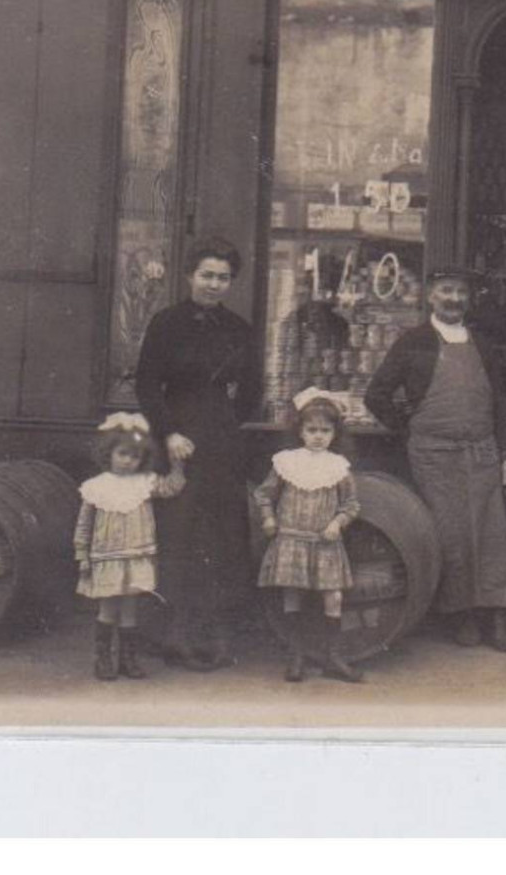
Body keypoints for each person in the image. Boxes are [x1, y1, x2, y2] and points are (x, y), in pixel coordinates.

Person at [364, 267, 506, 653]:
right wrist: (408, 428)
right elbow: (376, 395)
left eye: (461, 293)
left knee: (492, 536)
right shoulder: (413, 342)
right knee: (449, 534)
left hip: (482, 451)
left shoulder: (482, 344)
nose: (454, 299)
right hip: (434, 455)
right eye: (446, 291)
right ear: (431, 296)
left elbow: (499, 401)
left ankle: (497, 617)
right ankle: (460, 615)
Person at [135, 237, 260, 671]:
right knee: (180, 535)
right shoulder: (167, 323)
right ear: (190, 276)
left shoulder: (239, 329)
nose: (214, 284)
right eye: (206, 275)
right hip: (178, 438)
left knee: (223, 537)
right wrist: (169, 433)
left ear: (232, 282)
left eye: (223, 278)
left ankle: (216, 634)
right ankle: (173, 635)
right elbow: (147, 385)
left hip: (222, 442)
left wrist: (225, 421)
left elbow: (251, 393)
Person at [252, 388, 364, 684]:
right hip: (292, 539)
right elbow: (264, 494)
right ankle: (296, 656)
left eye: (325, 431)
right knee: (293, 593)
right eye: (311, 429)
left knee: (333, 595)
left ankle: (334, 657)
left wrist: (337, 523)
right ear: (300, 431)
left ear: (334, 434)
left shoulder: (338, 467)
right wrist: (268, 517)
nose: (318, 436)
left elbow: (351, 504)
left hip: (324, 543)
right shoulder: (286, 462)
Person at [72, 413, 187, 681]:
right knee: (108, 607)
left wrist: (177, 467)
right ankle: (103, 659)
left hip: (137, 554)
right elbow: (84, 525)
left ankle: (127, 659)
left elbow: (171, 488)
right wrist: (82, 554)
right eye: (122, 454)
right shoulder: (96, 486)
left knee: (130, 608)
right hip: (107, 557)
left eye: (134, 457)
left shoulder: (145, 482)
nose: (128, 461)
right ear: (108, 452)